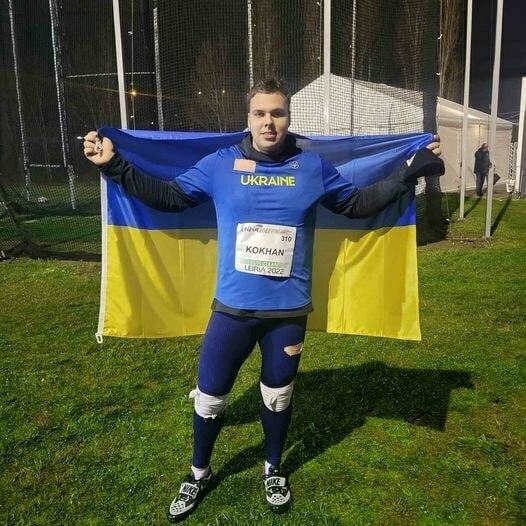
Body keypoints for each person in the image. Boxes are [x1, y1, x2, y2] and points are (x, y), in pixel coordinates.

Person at [83, 79, 443, 522]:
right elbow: (171, 198)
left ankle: (273, 469)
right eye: (260, 113)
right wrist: (114, 165)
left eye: (277, 113)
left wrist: (409, 170)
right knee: (210, 399)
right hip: (232, 311)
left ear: (288, 118)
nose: (268, 122)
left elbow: (357, 204)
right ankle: (198, 473)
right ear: (248, 118)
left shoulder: (311, 168)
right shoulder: (220, 165)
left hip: (287, 313)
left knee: (278, 397)